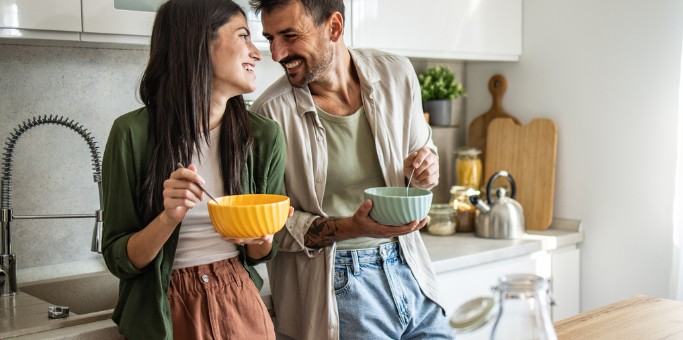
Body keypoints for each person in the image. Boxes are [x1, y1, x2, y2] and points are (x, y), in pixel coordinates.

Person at [248, 0, 453, 339]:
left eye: (289, 36)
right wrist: (350, 227)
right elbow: (268, 227)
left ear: (334, 27)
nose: (277, 53)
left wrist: (425, 170)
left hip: (411, 265)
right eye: (270, 38)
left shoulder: (396, 74)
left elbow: (424, 157)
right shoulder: (268, 115)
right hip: (336, 282)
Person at [100, 0, 287, 338]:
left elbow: (261, 253)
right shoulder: (131, 134)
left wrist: (263, 235)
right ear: (199, 42)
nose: (256, 53)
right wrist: (168, 217)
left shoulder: (263, 136)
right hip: (163, 312)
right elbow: (119, 259)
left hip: (240, 303)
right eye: (243, 36)